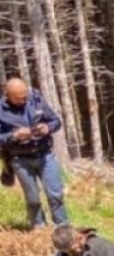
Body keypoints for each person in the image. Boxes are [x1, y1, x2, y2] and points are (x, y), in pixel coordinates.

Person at [0, 78, 68, 229]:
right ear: (8, 95)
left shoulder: (36, 100)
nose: (23, 100)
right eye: (18, 98)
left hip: (45, 154)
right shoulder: (1, 110)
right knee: (33, 198)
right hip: (20, 159)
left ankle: (63, 227)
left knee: (55, 194)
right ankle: (39, 228)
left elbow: (56, 121)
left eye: (25, 96)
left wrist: (48, 128)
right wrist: (14, 136)